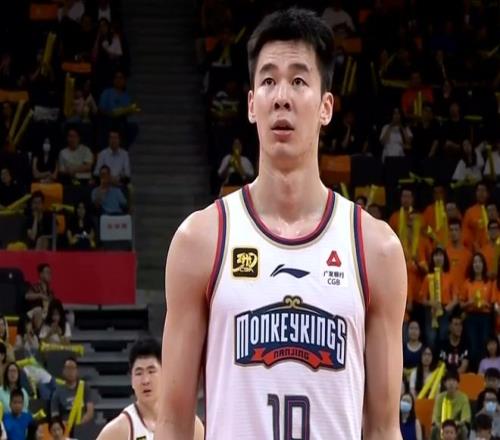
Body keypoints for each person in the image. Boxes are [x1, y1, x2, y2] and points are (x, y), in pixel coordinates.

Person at [157, 8, 407, 440]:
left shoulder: (375, 248)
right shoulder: (201, 240)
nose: (281, 97)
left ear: (326, 107)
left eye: (299, 81)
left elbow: (383, 430)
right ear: (251, 105)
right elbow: (173, 425)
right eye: (269, 80)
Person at [96, 338, 204, 440]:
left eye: (151, 371)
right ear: (132, 380)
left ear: (165, 374)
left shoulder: (188, 424)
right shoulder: (120, 429)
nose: (145, 380)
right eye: (139, 373)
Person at [419, 247, 457, 346]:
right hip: (431, 311)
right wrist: (432, 303)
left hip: (445, 310)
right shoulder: (428, 277)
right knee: (431, 338)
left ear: (445, 258)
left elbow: (455, 299)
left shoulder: (450, 277)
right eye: (436, 255)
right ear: (432, 258)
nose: (438, 258)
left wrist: (447, 309)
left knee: (444, 337)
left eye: (441, 255)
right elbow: (422, 299)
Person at [460, 252, 493, 367]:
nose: (477, 264)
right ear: (472, 265)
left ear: (483, 265)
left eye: (479, 262)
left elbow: (493, 304)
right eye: (475, 262)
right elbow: (461, 304)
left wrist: (485, 304)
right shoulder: (467, 283)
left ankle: (483, 370)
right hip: (471, 317)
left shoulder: (489, 283)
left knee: (484, 345)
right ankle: (473, 370)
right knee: (472, 345)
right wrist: (469, 303)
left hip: (485, 318)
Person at [51, 357, 95, 426]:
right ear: (63, 371)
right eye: (68, 368)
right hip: (65, 427)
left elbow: (90, 412)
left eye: (73, 368)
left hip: (83, 426)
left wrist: (79, 425)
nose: (70, 371)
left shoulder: (84, 387)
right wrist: (62, 424)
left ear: (77, 371)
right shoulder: (57, 391)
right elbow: (54, 414)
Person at [432, 370, 471, 440]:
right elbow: (436, 418)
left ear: (458, 383)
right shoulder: (440, 397)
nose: (451, 383)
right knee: (434, 429)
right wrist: (443, 427)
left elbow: (465, 418)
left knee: (464, 429)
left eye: (454, 380)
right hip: (442, 426)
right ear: (444, 383)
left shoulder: (463, 397)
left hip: (456, 427)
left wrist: (453, 426)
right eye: (449, 380)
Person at [462, 182, 490, 251]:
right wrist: (473, 245)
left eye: (483, 190)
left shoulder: (493, 211)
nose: (481, 193)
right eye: (479, 190)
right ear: (475, 193)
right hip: (476, 251)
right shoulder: (469, 212)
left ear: (488, 194)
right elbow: (465, 234)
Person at [446, 219, 472, 287]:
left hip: (463, 291)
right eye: (451, 230)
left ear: (460, 232)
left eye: (456, 230)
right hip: (448, 291)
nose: (453, 232)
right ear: (448, 232)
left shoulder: (468, 254)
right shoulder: (444, 253)